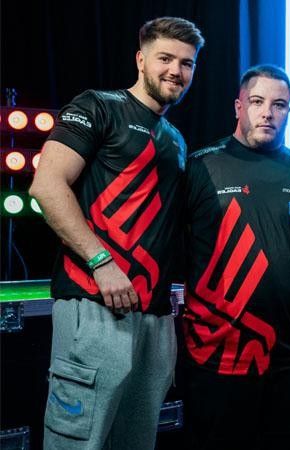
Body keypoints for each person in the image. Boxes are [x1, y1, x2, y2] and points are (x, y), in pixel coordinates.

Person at [28, 17, 204, 449]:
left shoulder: (175, 139)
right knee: (76, 443)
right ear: (140, 59)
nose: (176, 71)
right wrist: (101, 262)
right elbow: (46, 186)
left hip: (154, 319)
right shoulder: (98, 106)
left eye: (186, 63)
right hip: (93, 306)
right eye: (165, 58)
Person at [180, 64, 290, 449]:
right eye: (257, 102)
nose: (267, 113)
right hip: (220, 354)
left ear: (289, 111)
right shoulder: (200, 167)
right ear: (238, 106)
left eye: (279, 104)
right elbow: (166, 239)